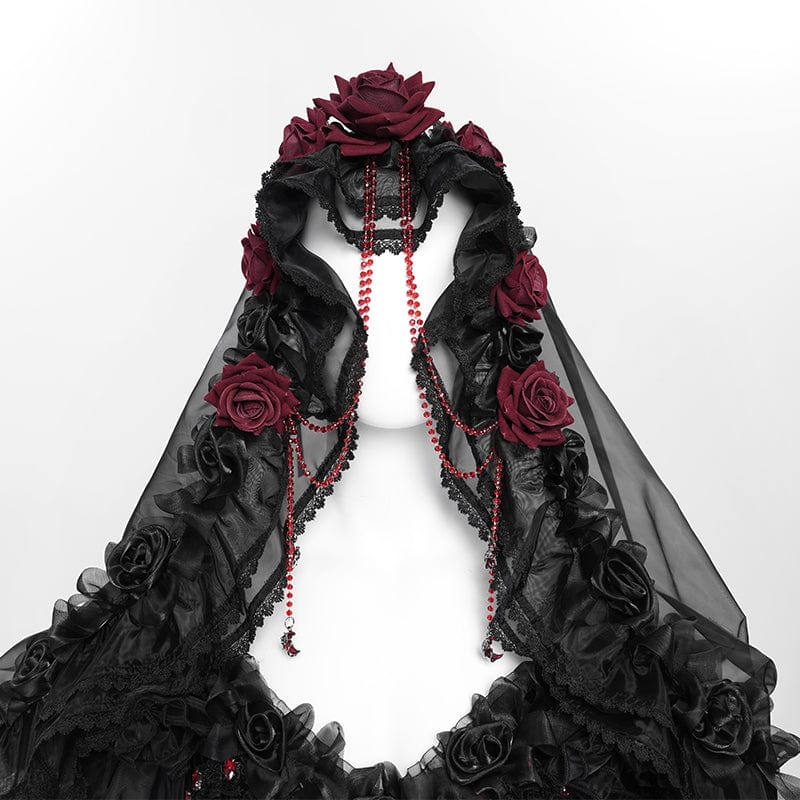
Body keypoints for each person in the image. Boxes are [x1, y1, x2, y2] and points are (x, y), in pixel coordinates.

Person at [0, 62, 798, 800]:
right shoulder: (169, 635)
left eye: (436, 277)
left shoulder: (589, 639)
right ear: (291, 306)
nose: (387, 320)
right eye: (344, 278)